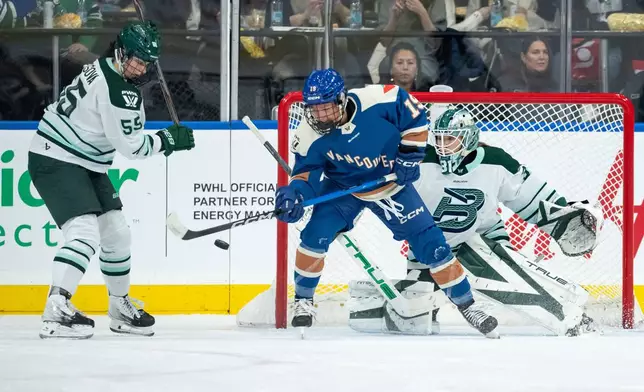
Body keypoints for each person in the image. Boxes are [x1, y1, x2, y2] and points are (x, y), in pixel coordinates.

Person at [274, 68, 499, 338]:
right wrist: (295, 195)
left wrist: (409, 155)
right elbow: (306, 175)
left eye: (326, 108)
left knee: (434, 247)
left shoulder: (378, 100)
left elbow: (415, 117)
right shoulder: (309, 131)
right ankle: (303, 300)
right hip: (343, 187)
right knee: (313, 236)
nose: (320, 116)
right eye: (314, 110)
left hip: (390, 184)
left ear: (342, 99)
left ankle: (468, 305)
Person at [348, 105, 601, 336]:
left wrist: (565, 216)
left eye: (450, 139)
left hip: (483, 239)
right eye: (439, 139)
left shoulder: (496, 162)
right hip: (431, 247)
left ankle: (570, 317)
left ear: (468, 138)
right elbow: (375, 184)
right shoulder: (418, 161)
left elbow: (534, 200)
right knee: (414, 318)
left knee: (515, 280)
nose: (443, 146)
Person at [28, 21, 196, 339]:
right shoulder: (117, 90)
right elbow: (132, 148)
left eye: (146, 61)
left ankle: (119, 306)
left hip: (85, 161)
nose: (140, 66)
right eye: (135, 58)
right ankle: (56, 310)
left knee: (117, 233)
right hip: (57, 158)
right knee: (83, 233)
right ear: (121, 51)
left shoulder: (105, 65)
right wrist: (168, 141)